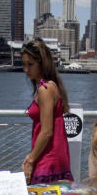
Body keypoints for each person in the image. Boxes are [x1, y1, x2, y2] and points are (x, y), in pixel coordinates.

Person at [20, 39, 73, 184]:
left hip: (48, 159)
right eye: (24, 64)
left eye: (30, 64)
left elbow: (47, 131)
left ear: (42, 63)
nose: (26, 69)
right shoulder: (51, 86)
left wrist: (30, 160)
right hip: (54, 156)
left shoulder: (45, 89)